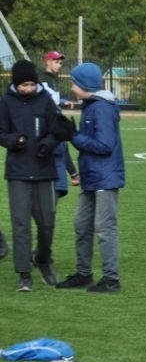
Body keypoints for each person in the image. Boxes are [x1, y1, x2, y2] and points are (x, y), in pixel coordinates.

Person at [56, 62, 126, 293]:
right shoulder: (91, 105)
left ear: (83, 84)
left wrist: (74, 137)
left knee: (105, 229)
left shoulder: (101, 108)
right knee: (82, 225)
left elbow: (104, 145)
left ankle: (111, 279)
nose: (72, 86)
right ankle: (84, 274)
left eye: (74, 82)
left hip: (104, 177)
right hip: (93, 177)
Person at [0, 59, 64, 291]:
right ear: (15, 84)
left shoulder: (45, 100)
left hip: (44, 171)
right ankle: (24, 274)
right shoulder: (5, 103)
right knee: (20, 225)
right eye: (23, 85)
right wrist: (12, 141)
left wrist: (47, 144)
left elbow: (56, 130)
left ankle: (43, 259)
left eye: (31, 84)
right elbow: (1, 132)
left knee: (47, 223)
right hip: (17, 172)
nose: (28, 89)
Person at [40, 50, 80, 197]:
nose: (59, 65)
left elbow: (53, 98)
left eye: (60, 62)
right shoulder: (42, 79)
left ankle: (73, 176)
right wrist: (60, 103)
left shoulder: (53, 78)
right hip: (49, 120)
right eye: (56, 62)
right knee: (61, 145)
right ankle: (71, 177)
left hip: (55, 117)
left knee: (62, 145)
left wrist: (63, 102)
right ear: (48, 62)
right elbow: (46, 98)